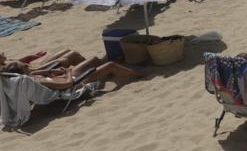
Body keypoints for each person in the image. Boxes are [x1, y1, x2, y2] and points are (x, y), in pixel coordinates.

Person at [1, 50, 145, 90]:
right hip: (75, 82)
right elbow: (67, 85)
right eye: (26, 66)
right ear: (24, 72)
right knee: (110, 65)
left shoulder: (29, 79)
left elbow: (35, 72)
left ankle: (111, 71)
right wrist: (67, 73)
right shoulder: (39, 82)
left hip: (62, 77)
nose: (28, 66)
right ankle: (141, 75)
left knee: (95, 59)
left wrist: (52, 72)